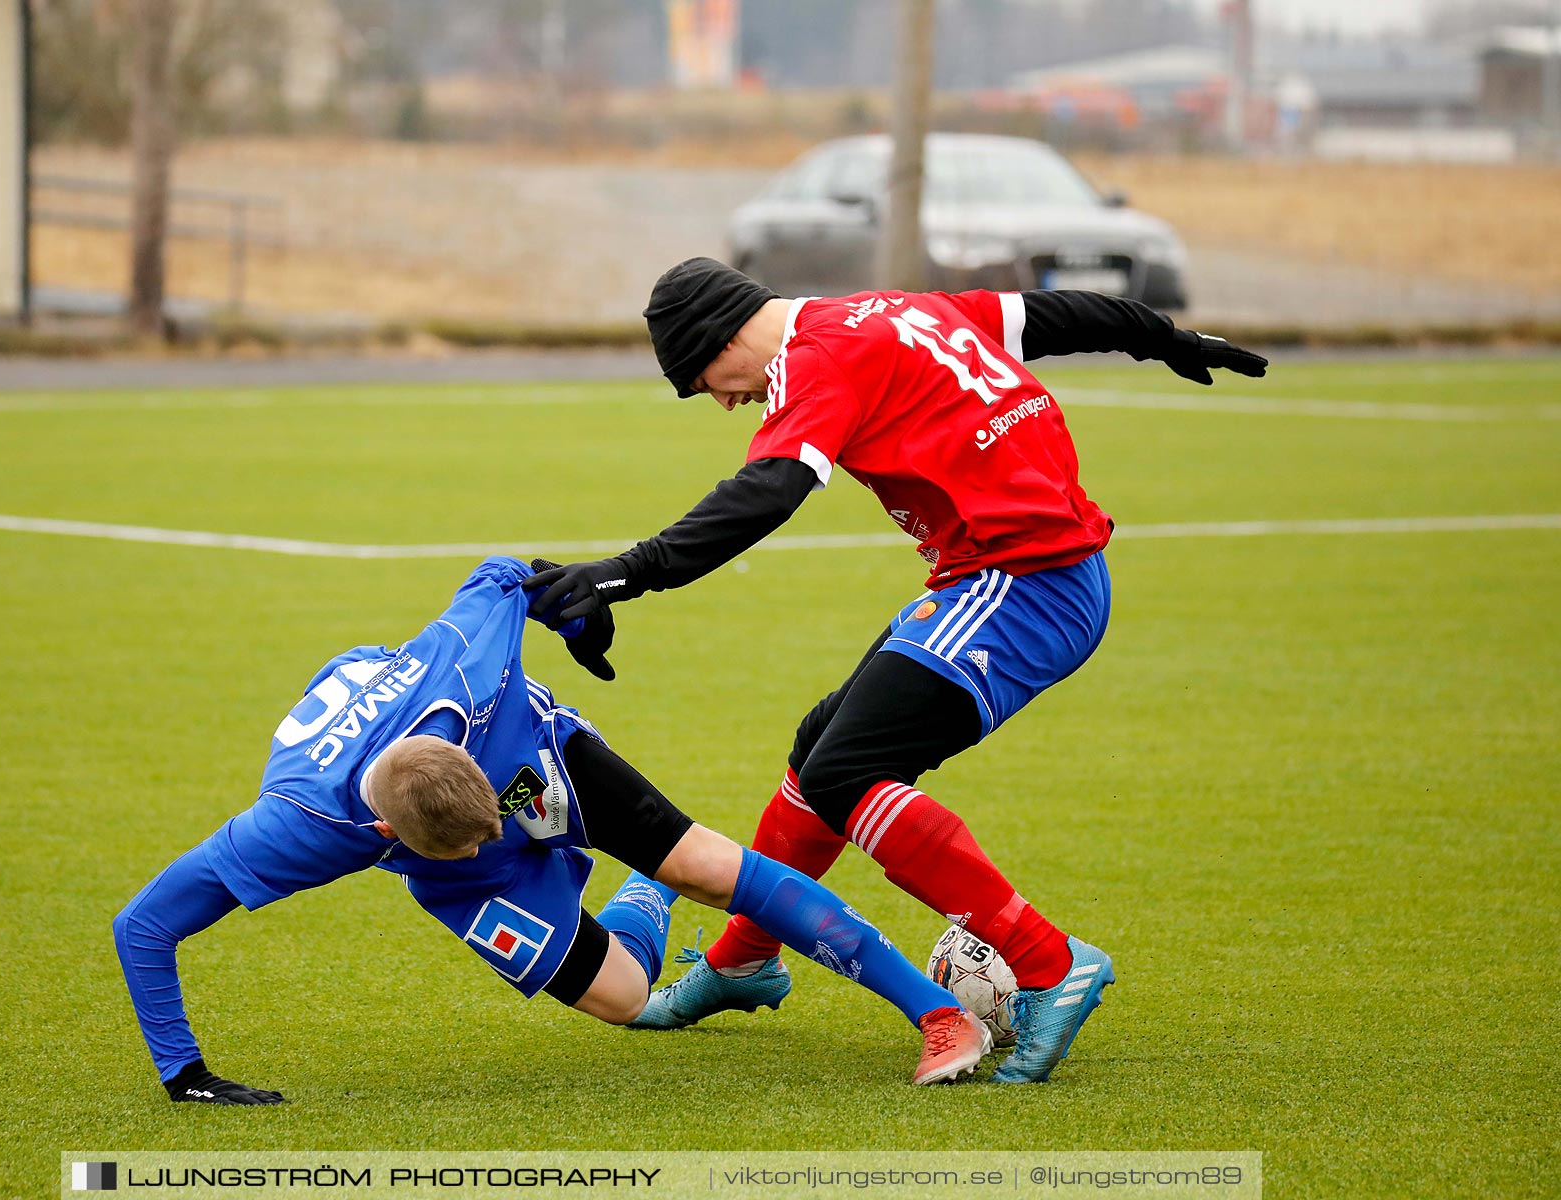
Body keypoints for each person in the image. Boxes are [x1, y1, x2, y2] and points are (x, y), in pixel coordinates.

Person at [524, 260, 1268, 1083]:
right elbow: (1056, 317)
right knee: (820, 751)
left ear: (727, 336)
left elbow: (767, 491)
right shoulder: (897, 310)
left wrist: (625, 571)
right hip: (1004, 580)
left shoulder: (816, 358)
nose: (725, 400)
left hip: (1027, 585)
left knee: (848, 773)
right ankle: (744, 960)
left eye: (702, 380)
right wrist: (1161, 337)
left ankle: (1050, 963)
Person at [112, 557, 997, 1105]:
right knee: (624, 999)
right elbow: (144, 925)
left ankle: (939, 1013)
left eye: (483, 825)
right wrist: (184, 1072)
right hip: (462, 882)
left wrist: (578, 618)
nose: (485, 837)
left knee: (706, 864)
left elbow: (507, 571)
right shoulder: (295, 827)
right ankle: (649, 893)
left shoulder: (476, 671)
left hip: (543, 759)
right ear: (382, 832)